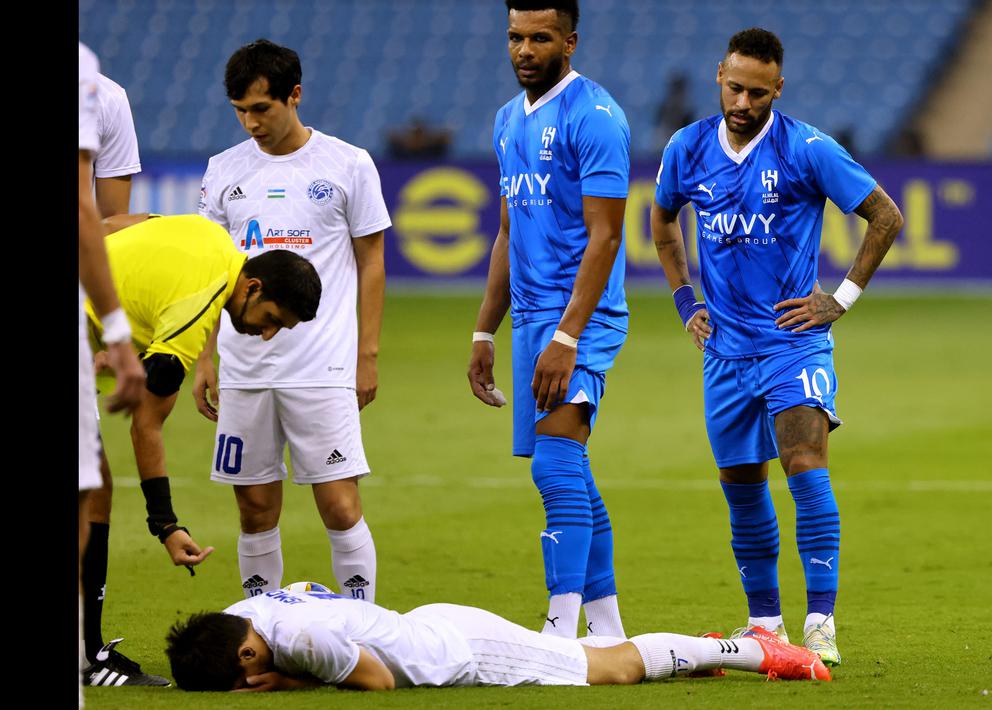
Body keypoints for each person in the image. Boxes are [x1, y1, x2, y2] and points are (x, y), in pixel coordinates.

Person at [649, 28, 903, 668]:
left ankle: (820, 623)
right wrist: (686, 299)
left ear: (777, 90)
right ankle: (765, 625)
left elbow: (886, 216)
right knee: (741, 485)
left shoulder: (806, 148)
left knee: (804, 464)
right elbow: (661, 221)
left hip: (794, 344)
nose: (743, 102)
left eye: (757, 93)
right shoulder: (686, 148)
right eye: (734, 87)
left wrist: (838, 299)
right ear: (719, 77)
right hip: (725, 353)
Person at [81, 213, 322, 684]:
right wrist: (166, 525)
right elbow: (146, 426)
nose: (267, 333)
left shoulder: (210, 235)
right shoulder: (195, 316)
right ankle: (89, 659)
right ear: (252, 287)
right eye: (271, 319)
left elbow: (116, 225)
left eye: (281, 329)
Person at [194, 39, 390, 603]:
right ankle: (262, 624)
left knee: (340, 503)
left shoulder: (348, 164)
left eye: (262, 108)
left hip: (322, 366)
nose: (251, 122)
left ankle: (361, 624)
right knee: (255, 510)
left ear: (294, 95)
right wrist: (204, 358)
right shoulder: (224, 170)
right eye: (240, 111)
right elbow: (212, 271)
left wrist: (366, 354)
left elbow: (371, 261)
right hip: (244, 367)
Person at [468, 0, 630, 640]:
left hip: (582, 319)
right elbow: (507, 231)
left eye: (540, 38)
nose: (524, 50)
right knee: (572, 475)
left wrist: (566, 339)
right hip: (532, 318)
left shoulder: (596, 117)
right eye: (515, 37)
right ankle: (607, 627)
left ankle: (559, 629)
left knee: (555, 464)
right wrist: (486, 330)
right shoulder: (508, 121)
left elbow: (607, 237)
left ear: (570, 41)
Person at [164, 584, 830, 691]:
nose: (248, 686)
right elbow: (309, 583)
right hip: (429, 622)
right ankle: (698, 649)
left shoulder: (299, 643)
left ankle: (753, 649)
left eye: (240, 680)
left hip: (458, 651)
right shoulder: (245, 609)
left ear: (248, 654)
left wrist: (287, 681)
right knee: (604, 663)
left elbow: (380, 681)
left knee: (608, 670)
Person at [80, 69, 164, 687]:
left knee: (92, 480)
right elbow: (106, 226)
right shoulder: (99, 92)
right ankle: (88, 657)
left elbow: (111, 231)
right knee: (91, 483)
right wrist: (119, 332)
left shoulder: (106, 96)